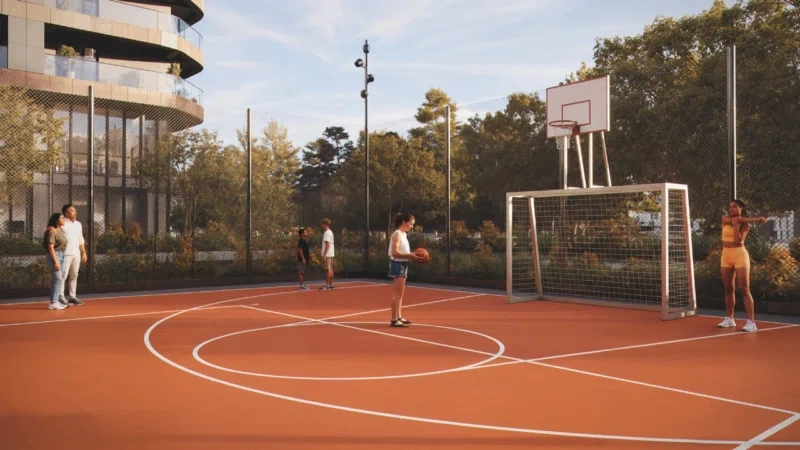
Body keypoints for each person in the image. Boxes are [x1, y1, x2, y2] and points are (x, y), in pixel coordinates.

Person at [717, 199, 765, 332]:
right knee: (728, 288)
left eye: (735, 206)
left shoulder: (745, 225)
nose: (731, 209)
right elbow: (736, 220)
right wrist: (757, 219)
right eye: (730, 207)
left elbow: (738, 239)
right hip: (726, 255)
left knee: (744, 288)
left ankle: (751, 322)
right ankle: (729, 318)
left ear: (741, 208)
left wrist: (736, 226)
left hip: (739, 255)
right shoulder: (725, 219)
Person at [387, 212, 424, 327]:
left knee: (401, 294)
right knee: (396, 294)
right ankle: (394, 319)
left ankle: (399, 316)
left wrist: (412, 255)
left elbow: (403, 252)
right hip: (397, 264)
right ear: (403, 222)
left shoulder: (404, 234)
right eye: (410, 224)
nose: (412, 226)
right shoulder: (397, 234)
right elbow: (395, 253)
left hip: (403, 264)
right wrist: (410, 255)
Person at [60, 204, 86, 306]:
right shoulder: (61, 223)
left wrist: (83, 252)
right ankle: (61, 297)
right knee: (63, 275)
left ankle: (72, 297)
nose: (75, 212)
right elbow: (51, 227)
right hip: (65, 253)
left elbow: (81, 239)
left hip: (76, 253)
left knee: (74, 275)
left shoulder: (78, 224)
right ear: (66, 213)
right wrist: (50, 228)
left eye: (75, 210)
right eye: (72, 211)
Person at [43, 213, 69, 310]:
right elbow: (50, 247)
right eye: (62, 218)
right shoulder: (52, 231)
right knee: (58, 279)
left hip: (62, 255)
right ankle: (53, 302)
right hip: (55, 255)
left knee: (58, 279)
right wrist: (56, 261)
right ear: (56, 220)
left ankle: (55, 301)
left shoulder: (60, 230)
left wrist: (48, 227)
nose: (64, 219)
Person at [319, 218, 335, 290]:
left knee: (327, 269)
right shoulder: (330, 232)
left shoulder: (327, 233)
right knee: (330, 269)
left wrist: (324, 255)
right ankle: (331, 284)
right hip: (330, 253)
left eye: (322, 224)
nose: (321, 225)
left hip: (327, 254)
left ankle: (327, 285)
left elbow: (327, 244)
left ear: (325, 224)